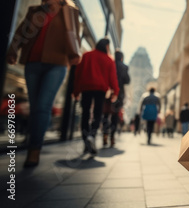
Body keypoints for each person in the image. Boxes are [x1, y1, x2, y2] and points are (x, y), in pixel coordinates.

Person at [6, 0, 81, 167]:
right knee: (34, 107)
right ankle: (33, 139)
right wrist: (13, 50)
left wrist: (75, 53)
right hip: (33, 62)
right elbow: (21, 32)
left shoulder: (70, 12)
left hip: (57, 64)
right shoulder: (35, 11)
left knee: (42, 106)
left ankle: (34, 149)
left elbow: (75, 35)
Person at [73, 38, 120, 155]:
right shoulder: (109, 60)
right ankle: (92, 135)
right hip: (100, 89)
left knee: (85, 113)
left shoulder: (87, 55)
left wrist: (76, 91)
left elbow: (78, 73)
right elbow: (113, 78)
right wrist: (116, 92)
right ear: (107, 47)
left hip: (86, 88)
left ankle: (85, 139)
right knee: (97, 114)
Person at [102, 51, 130, 147]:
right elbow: (127, 80)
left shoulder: (110, 63)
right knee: (114, 116)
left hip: (108, 92)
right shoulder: (124, 67)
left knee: (106, 114)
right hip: (119, 94)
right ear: (122, 58)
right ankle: (112, 138)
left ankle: (105, 134)